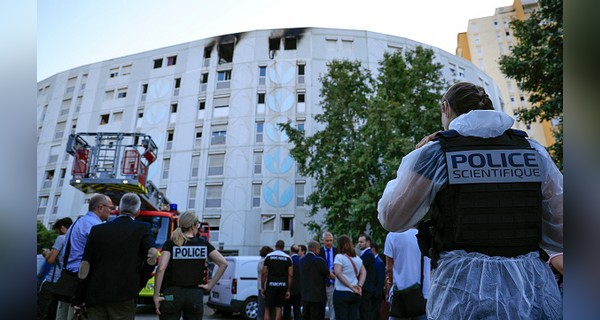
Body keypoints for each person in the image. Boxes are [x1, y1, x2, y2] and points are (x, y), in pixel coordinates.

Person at [377, 82, 563, 319]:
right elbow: (564, 228)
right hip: (530, 292)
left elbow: (392, 217)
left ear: (446, 108)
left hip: (462, 293)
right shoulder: (532, 151)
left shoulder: (437, 153)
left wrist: (415, 161)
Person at [73, 193, 159, 319]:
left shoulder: (97, 230)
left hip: (96, 295)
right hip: (124, 296)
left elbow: (85, 266)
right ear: (138, 212)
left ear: (118, 209)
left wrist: (79, 298)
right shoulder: (142, 228)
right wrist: (141, 281)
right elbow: (152, 254)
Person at [153, 210, 228, 319]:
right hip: (195, 296)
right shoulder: (203, 244)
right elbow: (223, 263)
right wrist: (210, 285)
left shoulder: (171, 243)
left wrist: (156, 296)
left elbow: (161, 268)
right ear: (193, 225)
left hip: (171, 296)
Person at [57, 193, 114, 320]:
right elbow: (101, 256)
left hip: (67, 279)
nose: (111, 211)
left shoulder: (77, 223)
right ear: (100, 207)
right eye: (110, 208)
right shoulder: (96, 226)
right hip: (81, 282)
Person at [384, 230, 431, 320]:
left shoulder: (392, 236)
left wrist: (388, 289)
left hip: (399, 295)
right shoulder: (424, 236)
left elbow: (389, 269)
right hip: (422, 295)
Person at [37, 218, 73, 320]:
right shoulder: (75, 239)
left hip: (52, 282)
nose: (57, 234)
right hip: (64, 284)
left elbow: (50, 260)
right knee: (55, 314)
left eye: (57, 232)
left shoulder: (61, 238)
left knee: (43, 313)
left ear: (62, 228)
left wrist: (46, 254)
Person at [333, 235, 366, 320]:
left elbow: (338, 273)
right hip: (355, 293)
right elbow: (363, 272)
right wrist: (359, 286)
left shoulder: (339, 257)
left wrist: (350, 287)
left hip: (341, 292)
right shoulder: (357, 258)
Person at [299, 240, 331, 320]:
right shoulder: (320, 260)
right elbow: (327, 274)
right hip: (318, 296)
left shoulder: (302, 260)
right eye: (319, 249)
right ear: (316, 249)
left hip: (305, 295)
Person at [262, 240, 293, 320]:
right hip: (282, 285)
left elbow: (264, 272)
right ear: (283, 247)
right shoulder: (288, 258)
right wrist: (288, 290)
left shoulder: (269, 256)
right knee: (279, 308)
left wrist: (262, 287)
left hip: (271, 285)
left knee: (267, 308)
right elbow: (290, 275)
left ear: (275, 246)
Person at [318, 231, 337, 320]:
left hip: (333, 283)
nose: (329, 243)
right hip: (321, 284)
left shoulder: (337, 251)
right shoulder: (319, 252)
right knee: (320, 307)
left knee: (332, 306)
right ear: (323, 241)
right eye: (327, 241)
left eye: (331, 240)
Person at [357, 234, 376, 320]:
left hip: (366, 288)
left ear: (367, 242)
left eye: (361, 242)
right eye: (358, 242)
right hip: (365, 288)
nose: (359, 244)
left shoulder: (368, 255)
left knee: (365, 312)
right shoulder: (366, 254)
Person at [284, 244, 302, 320]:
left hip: (289, 288)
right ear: (298, 251)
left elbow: (288, 275)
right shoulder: (301, 261)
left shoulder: (289, 261)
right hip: (299, 290)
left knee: (287, 310)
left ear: (291, 251)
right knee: (297, 310)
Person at [370, 242, 386, 320]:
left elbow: (380, 279)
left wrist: (376, 293)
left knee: (375, 314)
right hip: (374, 294)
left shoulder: (379, 262)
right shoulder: (375, 261)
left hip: (376, 294)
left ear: (373, 250)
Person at [258, 246, 274, 320]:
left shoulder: (261, 261)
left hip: (261, 286)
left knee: (262, 308)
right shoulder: (264, 261)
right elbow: (264, 273)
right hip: (264, 287)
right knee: (265, 308)